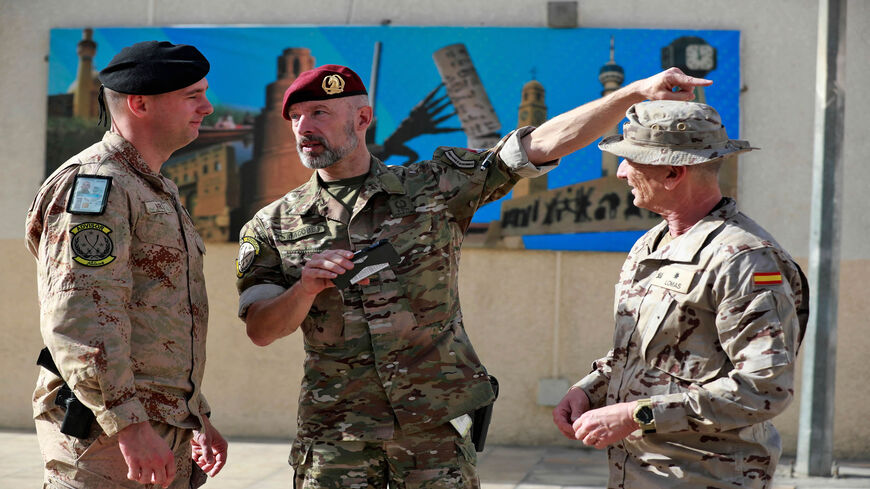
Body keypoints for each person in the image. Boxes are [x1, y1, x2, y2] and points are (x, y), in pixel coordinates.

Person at [235, 64, 710, 488]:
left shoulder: (435, 186)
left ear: (362, 119)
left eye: (318, 112)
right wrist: (304, 289)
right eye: (295, 117)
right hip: (335, 443)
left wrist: (631, 94)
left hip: (434, 440)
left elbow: (539, 144)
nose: (304, 128)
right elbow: (260, 329)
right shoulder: (272, 225)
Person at [552, 100, 808, 488]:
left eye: (631, 160)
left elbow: (765, 389)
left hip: (706, 476)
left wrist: (633, 416)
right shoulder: (652, 244)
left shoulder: (745, 260)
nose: (621, 172)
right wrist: (589, 390)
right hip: (639, 473)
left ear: (673, 172)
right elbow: (646, 356)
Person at [27, 40, 227, 489]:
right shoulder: (98, 186)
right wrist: (129, 426)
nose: (208, 107)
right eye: (192, 95)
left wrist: (197, 415)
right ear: (139, 103)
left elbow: (161, 322)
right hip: (107, 437)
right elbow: (82, 316)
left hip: (160, 427)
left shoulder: (156, 190)